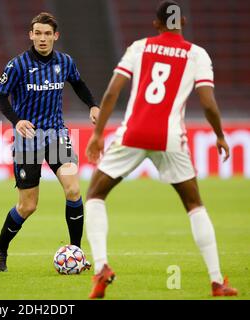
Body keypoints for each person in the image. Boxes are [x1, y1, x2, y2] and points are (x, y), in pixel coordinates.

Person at [85, 1, 238, 298]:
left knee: (95, 195)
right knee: (194, 205)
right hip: (170, 137)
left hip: (133, 133)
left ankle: (101, 266)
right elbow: (208, 103)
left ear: (156, 23)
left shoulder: (139, 47)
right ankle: (217, 281)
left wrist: (98, 133)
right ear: (183, 22)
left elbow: (112, 92)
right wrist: (219, 135)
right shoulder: (197, 55)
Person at [0, 12, 100, 272]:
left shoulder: (65, 62)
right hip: (27, 140)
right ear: (31, 35)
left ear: (55, 36)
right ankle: (0, 247)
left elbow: (79, 84)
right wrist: (17, 120)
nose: (42, 38)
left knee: (73, 190)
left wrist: (93, 105)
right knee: (28, 205)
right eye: (37, 33)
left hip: (57, 135)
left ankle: (76, 252)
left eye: (47, 34)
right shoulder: (17, 65)